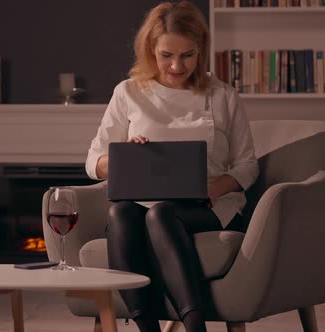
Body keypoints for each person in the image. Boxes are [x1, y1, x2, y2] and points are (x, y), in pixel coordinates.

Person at [84, 1, 259, 332]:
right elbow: (94, 160)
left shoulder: (223, 95)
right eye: (167, 55)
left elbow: (248, 166)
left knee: (162, 213)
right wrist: (124, 158)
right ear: (151, 49)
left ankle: (195, 326)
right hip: (146, 202)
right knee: (120, 213)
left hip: (209, 205)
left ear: (201, 50)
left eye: (187, 55)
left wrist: (215, 186)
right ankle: (146, 327)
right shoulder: (128, 93)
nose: (177, 65)